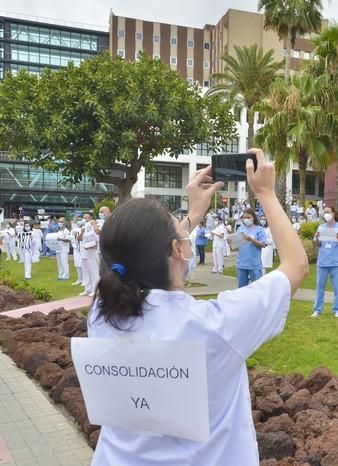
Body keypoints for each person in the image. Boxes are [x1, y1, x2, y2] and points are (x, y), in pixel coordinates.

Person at [89, 150, 308, 465]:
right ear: (178, 250)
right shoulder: (215, 325)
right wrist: (266, 193)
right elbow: (296, 266)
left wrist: (192, 216)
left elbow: (150, 258)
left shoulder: (102, 315)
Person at [312, 206, 338, 317]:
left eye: (328, 212)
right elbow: (318, 244)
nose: (326, 214)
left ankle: (337, 309)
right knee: (320, 287)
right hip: (322, 262)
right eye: (325, 212)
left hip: (335, 263)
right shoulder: (321, 227)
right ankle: (317, 310)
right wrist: (317, 238)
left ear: (333, 213)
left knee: (337, 288)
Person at [236, 209, 267, 287]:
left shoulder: (259, 230)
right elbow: (236, 244)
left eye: (248, 217)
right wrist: (230, 242)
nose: (246, 219)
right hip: (241, 263)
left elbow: (263, 244)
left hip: (254, 264)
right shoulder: (240, 229)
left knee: (256, 288)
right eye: (244, 217)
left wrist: (251, 239)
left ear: (253, 218)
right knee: (241, 289)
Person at [78, 213, 100, 297]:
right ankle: (88, 289)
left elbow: (97, 240)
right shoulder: (84, 228)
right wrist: (82, 232)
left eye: (86, 218)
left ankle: (96, 289)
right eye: (83, 218)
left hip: (92, 253)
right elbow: (79, 239)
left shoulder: (94, 226)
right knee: (86, 272)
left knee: (94, 272)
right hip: (84, 253)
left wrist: (92, 246)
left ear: (91, 218)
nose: (84, 219)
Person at [70, 218, 84, 286]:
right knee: (77, 264)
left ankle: (84, 280)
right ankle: (79, 279)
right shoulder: (74, 229)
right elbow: (71, 235)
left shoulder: (84, 229)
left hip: (82, 249)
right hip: (75, 248)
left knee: (82, 265)